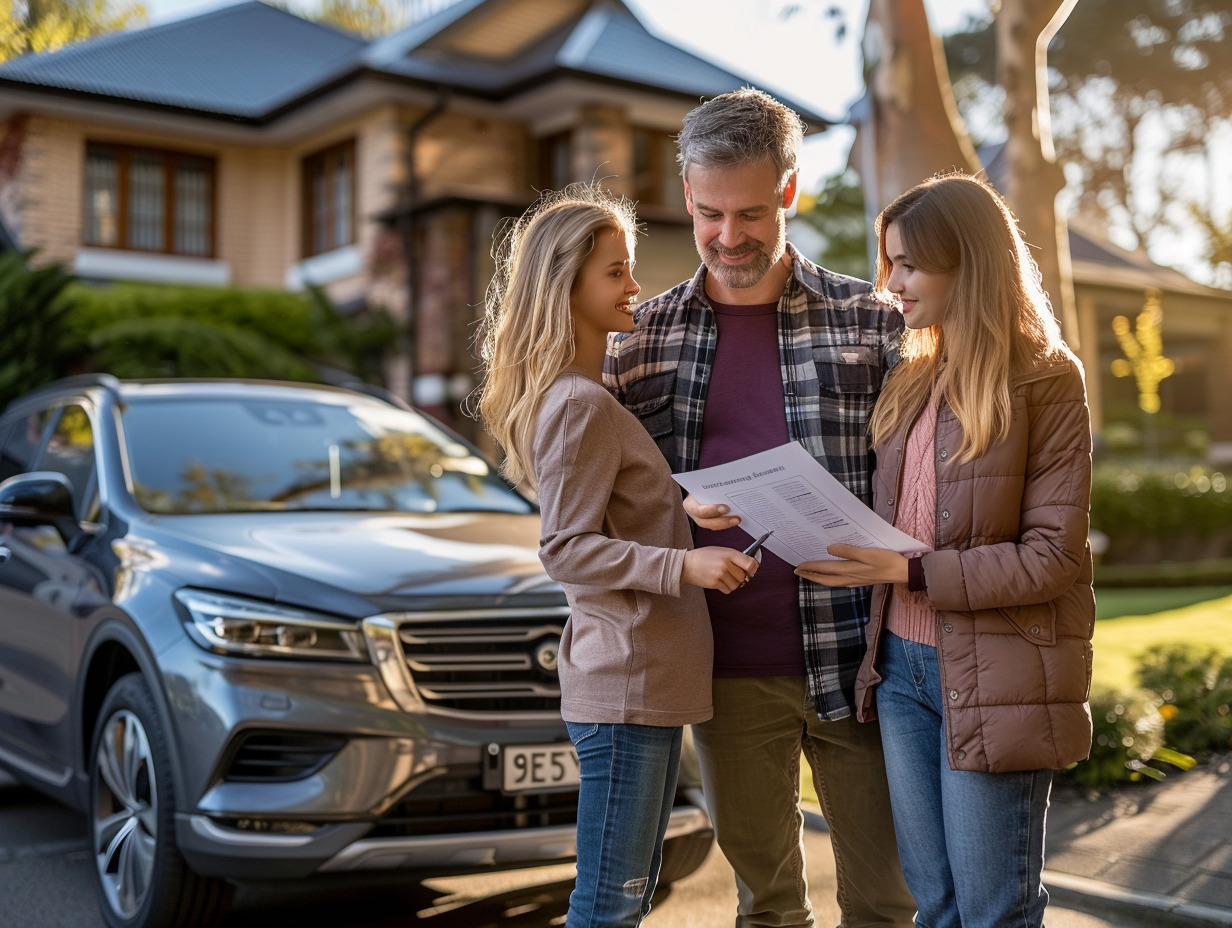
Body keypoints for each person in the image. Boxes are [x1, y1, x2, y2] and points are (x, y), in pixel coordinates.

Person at [605, 88, 916, 928]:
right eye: (709, 213)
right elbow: (606, 500)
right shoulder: (640, 340)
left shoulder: (874, 321)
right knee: (767, 907)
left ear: (788, 190)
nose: (728, 236)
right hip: (723, 666)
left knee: (888, 903)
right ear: (685, 194)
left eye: (749, 212)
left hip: (861, 663)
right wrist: (678, 515)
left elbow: (930, 482)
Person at [795, 172, 1096, 928]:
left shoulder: (1047, 380)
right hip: (900, 670)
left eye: (909, 265)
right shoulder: (911, 376)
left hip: (995, 674)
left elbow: (1052, 558)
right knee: (934, 907)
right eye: (888, 261)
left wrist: (909, 570)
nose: (890, 282)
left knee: (993, 912)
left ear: (969, 263)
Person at [475, 182, 759, 928]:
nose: (635, 285)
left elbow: (610, 508)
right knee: (609, 906)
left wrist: (680, 505)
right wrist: (684, 564)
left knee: (622, 898)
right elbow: (566, 548)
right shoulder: (579, 404)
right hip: (626, 686)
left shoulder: (588, 397)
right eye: (615, 271)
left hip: (645, 683)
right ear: (565, 285)